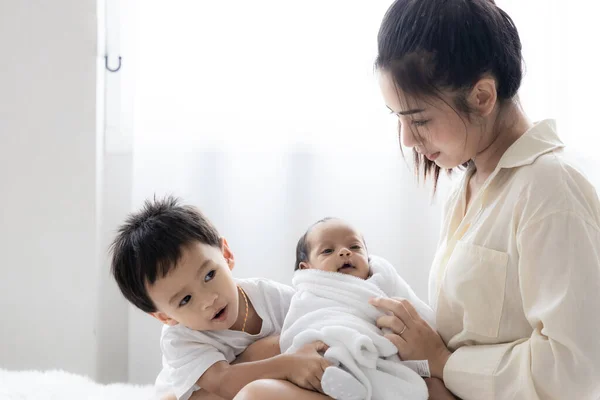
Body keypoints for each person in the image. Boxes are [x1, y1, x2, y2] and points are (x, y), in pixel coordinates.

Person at [371, 0, 600, 399]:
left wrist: (443, 362)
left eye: (419, 119)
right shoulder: (469, 183)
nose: (407, 139)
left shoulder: (551, 189)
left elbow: (576, 371)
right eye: (398, 119)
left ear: (482, 97)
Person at [110, 196, 332, 400]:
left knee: (289, 342)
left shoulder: (269, 295)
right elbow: (223, 381)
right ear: (164, 316)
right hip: (203, 393)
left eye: (209, 275)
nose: (209, 300)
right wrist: (287, 365)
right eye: (185, 300)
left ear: (226, 255)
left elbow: (318, 315)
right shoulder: (180, 339)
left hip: (257, 383)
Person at [280, 217, 435, 400]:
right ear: (307, 269)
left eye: (355, 247)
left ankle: (355, 384)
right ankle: (343, 381)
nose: (345, 252)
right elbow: (300, 323)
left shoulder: (381, 281)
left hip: (371, 351)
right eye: (328, 250)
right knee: (330, 351)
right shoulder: (309, 291)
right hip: (327, 347)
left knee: (375, 365)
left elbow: (416, 311)